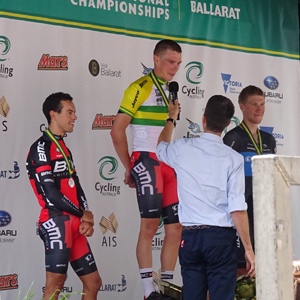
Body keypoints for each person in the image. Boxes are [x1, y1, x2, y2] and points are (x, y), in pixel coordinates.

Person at [156, 95, 255, 300]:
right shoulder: (234, 159)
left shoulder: (181, 148)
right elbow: (237, 208)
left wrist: (171, 119)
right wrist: (248, 248)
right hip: (220, 239)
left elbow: (160, 147)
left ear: (203, 119)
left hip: (190, 238)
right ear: (228, 124)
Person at [110, 39, 182, 300]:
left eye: (178, 63)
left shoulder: (169, 92)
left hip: (167, 161)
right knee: (150, 226)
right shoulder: (139, 88)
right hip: (146, 159)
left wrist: (172, 117)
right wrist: (130, 166)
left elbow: (166, 134)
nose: (175, 68)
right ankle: (149, 291)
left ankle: (167, 288)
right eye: (170, 62)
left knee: (175, 228)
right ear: (155, 59)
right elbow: (116, 131)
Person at [26, 92, 102, 300]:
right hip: (56, 220)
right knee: (55, 284)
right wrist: (81, 213)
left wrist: (85, 214)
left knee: (93, 283)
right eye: (70, 112)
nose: (74, 117)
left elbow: (75, 184)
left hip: (75, 222)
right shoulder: (41, 147)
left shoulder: (64, 148)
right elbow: (50, 193)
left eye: (74, 112)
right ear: (53, 115)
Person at [223, 85, 276, 276]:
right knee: (240, 267)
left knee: (264, 267)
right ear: (242, 107)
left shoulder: (269, 140)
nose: (259, 109)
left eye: (262, 104)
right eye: (254, 104)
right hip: (242, 212)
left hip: (264, 213)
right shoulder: (233, 138)